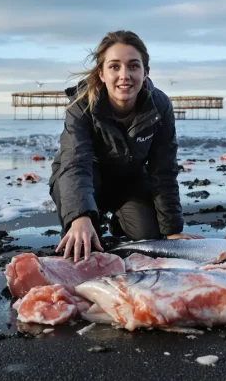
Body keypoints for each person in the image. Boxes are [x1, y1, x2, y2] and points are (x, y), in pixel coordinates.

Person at [49, 30, 202, 262]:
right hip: (84, 179)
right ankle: (90, 216)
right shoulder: (81, 106)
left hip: (127, 180)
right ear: (101, 73)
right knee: (84, 247)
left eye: (133, 66)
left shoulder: (159, 106)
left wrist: (172, 229)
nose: (124, 75)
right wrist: (79, 216)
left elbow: (163, 169)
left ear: (145, 72)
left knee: (150, 237)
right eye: (114, 67)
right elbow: (75, 163)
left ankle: (118, 221)